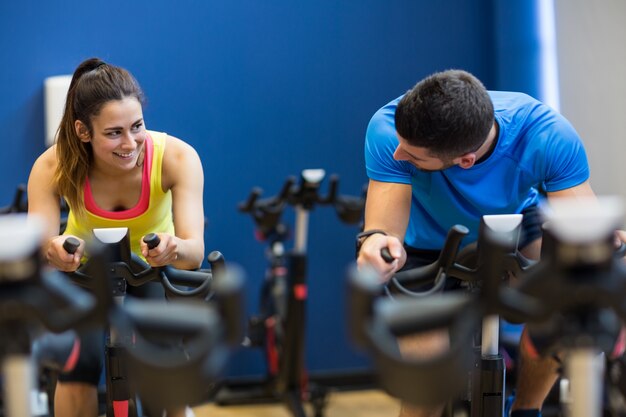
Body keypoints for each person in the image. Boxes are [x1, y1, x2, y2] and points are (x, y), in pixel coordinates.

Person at [356, 69, 624, 417]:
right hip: (421, 241)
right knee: (430, 378)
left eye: (414, 156)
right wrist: (376, 244)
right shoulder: (388, 128)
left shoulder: (545, 134)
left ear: (465, 161)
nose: (399, 156)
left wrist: (597, 245)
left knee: (565, 301)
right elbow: (384, 230)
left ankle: (527, 410)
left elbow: (583, 231)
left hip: (514, 224)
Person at [27, 57, 204, 417]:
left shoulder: (178, 158)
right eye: (114, 133)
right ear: (82, 131)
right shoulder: (52, 166)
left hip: (152, 271)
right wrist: (55, 250)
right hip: (84, 273)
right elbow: (41, 247)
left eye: (137, 126)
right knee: (79, 365)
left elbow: (194, 253)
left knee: (164, 361)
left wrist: (173, 249)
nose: (131, 143)